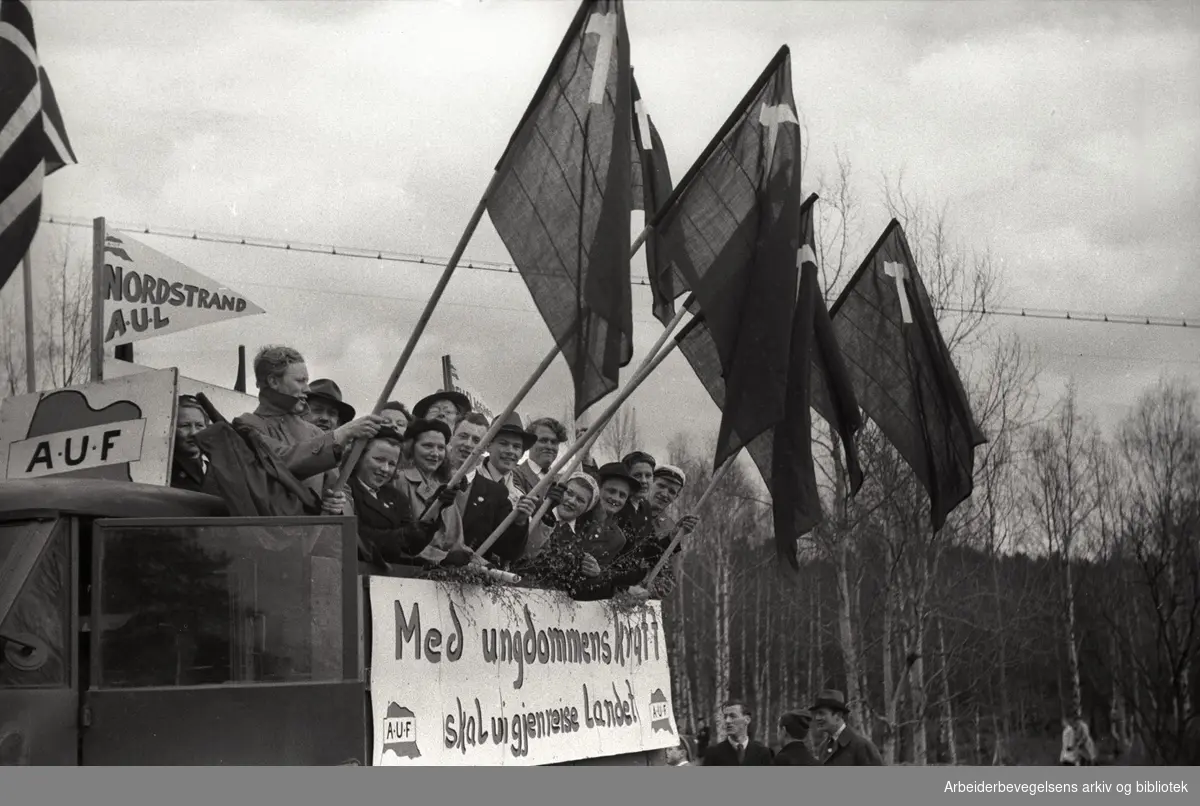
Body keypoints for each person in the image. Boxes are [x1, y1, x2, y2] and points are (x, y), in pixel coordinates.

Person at [233, 345, 386, 496]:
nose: (307, 389)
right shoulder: (246, 425)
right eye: (300, 381)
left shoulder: (315, 432)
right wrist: (341, 434)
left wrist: (338, 505)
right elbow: (281, 462)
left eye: (307, 381)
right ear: (273, 382)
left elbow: (340, 489)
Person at [318, 427, 446, 571]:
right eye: (379, 460)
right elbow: (358, 537)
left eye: (391, 464)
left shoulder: (397, 497)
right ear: (359, 457)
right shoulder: (344, 490)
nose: (385, 469)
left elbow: (411, 546)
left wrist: (436, 507)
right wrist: (401, 535)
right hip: (353, 572)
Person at [432, 413, 541, 565]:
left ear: (484, 445)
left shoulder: (497, 493)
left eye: (477, 440)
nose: (469, 444)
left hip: (470, 580)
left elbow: (508, 550)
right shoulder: (429, 476)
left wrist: (520, 522)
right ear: (451, 438)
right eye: (463, 436)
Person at [514, 472, 603, 596]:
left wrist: (594, 575)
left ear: (588, 508)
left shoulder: (584, 535)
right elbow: (525, 552)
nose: (572, 501)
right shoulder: (534, 511)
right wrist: (547, 517)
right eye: (569, 493)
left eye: (580, 500)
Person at [476, 411, 534, 505]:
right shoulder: (468, 481)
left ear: (522, 454)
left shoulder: (520, 497)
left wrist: (522, 520)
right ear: (488, 446)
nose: (510, 451)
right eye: (503, 443)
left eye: (516, 447)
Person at [810, 690, 883, 765]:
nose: (817, 718)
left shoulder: (861, 746)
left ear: (838, 715)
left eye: (822, 713)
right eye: (816, 714)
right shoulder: (823, 748)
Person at [701, 702, 774, 765]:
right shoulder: (713, 754)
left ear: (747, 720)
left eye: (733, 716)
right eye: (725, 717)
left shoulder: (763, 753)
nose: (727, 721)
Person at [513, 417, 567, 495]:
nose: (549, 446)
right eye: (543, 440)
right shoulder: (514, 475)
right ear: (529, 443)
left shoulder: (563, 480)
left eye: (554, 442)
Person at [170, 395, 210, 492]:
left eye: (199, 425)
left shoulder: (215, 470)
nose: (193, 433)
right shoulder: (166, 471)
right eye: (185, 426)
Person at [616, 450, 655, 536]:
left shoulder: (646, 507)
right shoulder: (617, 508)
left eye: (648, 475)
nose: (644, 481)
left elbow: (650, 545)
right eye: (637, 475)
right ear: (626, 477)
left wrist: (671, 536)